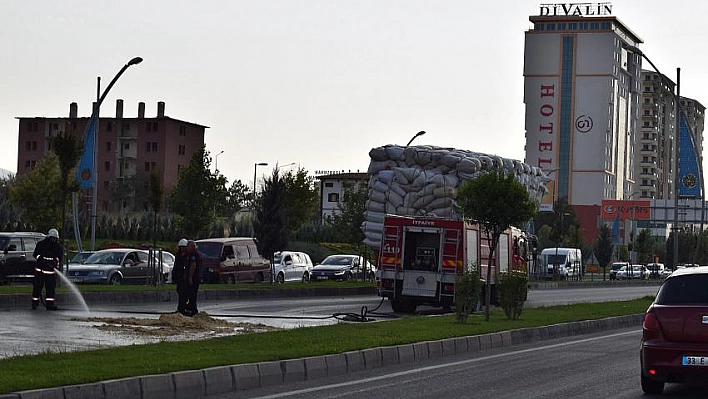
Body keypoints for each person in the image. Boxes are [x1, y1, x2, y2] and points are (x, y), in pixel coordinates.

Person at [32, 228, 63, 310]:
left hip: (50, 273)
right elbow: (35, 254)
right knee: (37, 288)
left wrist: (54, 262)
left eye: (55, 238)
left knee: (50, 290)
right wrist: (41, 260)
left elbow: (59, 257)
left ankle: (50, 305)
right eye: (52, 238)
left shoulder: (58, 246)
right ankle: (34, 303)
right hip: (40, 271)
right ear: (48, 237)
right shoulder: (41, 244)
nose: (53, 240)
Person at [184, 240, 202, 316]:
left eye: (188, 246)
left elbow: (193, 265)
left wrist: (190, 277)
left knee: (192, 294)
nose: (186, 248)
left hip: (194, 278)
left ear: (192, 247)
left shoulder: (193, 254)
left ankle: (193, 310)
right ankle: (191, 308)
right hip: (196, 277)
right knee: (191, 294)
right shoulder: (195, 254)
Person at [172, 239, 190, 315]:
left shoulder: (188, 256)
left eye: (184, 247)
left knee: (185, 294)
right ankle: (180, 308)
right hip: (179, 277)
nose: (182, 249)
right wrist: (174, 277)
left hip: (185, 277)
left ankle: (184, 308)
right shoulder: (178, 256)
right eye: (181, 247)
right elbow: (175, 267)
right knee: (180, 293)